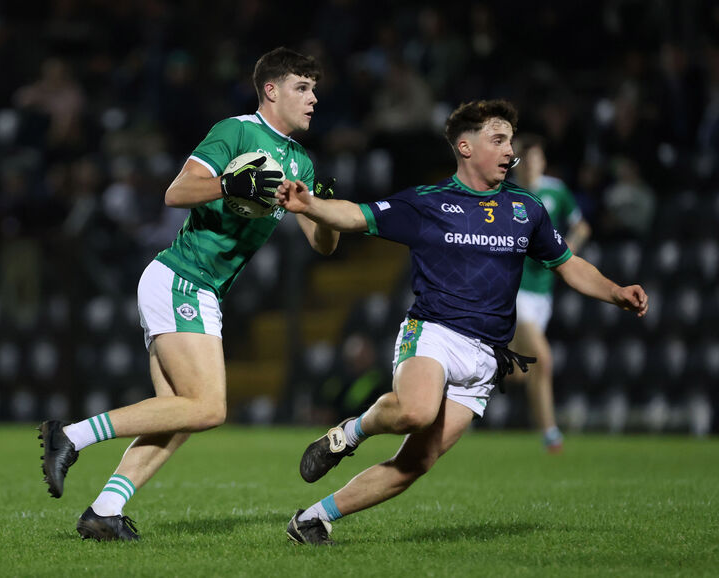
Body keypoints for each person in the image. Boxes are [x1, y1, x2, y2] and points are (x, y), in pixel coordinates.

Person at [275, 99, 648, 546]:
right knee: (415, 410)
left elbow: (568, 264)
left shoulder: (526, 209)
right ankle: (349, 434)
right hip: (434, 332)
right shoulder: (427, 203)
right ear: (465, 147)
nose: (511, 150)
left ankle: (313, 520)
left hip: (486, 359)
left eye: (511, 140)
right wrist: (311, 205)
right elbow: (356, 215)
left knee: (416, 464)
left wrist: (615, 291)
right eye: (499, 139)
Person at [38, 47, 339, 541]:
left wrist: (319, 210)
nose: (313, 99)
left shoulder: (301, 163)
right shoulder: (236, 131)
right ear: (271, 90)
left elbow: (323, 246)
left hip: (201, 289)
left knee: (178, 414)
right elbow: (175, 193)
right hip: (182, 277)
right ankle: (70, 435)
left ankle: (103, 512)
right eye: (302, 88)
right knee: (209, 407)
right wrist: (228, 182)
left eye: (314, 89)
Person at [507, 134, 591, 452]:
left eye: (535, 159)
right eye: (524, 159)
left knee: (516, 374)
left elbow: (582, 226)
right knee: (543, 359)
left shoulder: (556, 191)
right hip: (514, 290)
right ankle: (551, 434)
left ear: (543, 162)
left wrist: (565, 254)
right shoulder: (504, 193)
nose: (529, 165)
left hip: (544, 294)